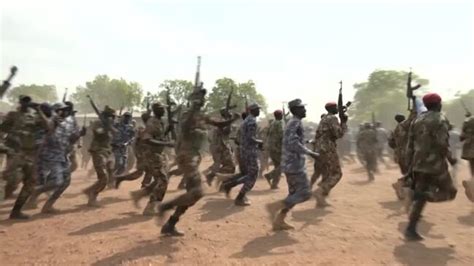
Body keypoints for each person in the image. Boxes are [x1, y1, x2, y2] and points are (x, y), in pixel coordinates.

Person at [157, 88, 238, 236]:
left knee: (191, 195)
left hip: (192, 156)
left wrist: (233, 119)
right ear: (194, 99)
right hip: (186, 156)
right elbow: (186, 128)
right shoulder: (188, 115)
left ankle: (170, 224)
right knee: (198, 192)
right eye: (200, 98)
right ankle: (165, 207)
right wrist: (193, 109)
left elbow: (218, 124)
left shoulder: (201, 115)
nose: (202, 100)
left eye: (203, 98)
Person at [404, 93, 457, 241]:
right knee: (450, 192)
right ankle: (421, 195)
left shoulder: (417, 120)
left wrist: (410, 165)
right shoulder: (440, 119)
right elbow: (442, 143)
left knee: (420, 198)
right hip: (435, 165)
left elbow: (410, 145)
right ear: (439, 104)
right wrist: (451, 159)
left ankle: (411, 229)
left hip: (418, 163)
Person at [266, 99, 319, 230]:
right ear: (295, 110)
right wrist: (310, 152)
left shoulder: (294, 122)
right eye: (302, 108)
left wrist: (307, 141)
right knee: (305, 193)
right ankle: (274, 206)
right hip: (294, 164)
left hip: (291, 164)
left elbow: (295, 140)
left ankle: (279, 221)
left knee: (294, 195)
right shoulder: (295, 122)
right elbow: (292, 143)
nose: (305, 110)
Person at [0, 95, 49, 219]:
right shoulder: (13, 115)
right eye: (24, 101)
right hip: (16, 153)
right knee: (11, 183)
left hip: (31, 154)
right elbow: (2, 129)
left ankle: (16, 211)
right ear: (20, 102)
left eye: (28, 101)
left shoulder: (34, 116)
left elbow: (48, 127)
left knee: (30, 183)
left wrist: (39, 110)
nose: (26, 103)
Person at [129, 102, 174, 216]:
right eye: (161, 109)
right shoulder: (151, 122)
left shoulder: (160, 121)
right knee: (163, 180)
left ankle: (139, 194)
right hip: (151, 154)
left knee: (162, 178)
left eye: (164, 109)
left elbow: (159, 135)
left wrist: (168, 130)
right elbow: (147, 139)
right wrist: (167, 143)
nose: (164, 110)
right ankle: (150, 207)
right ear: (156, 110)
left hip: (159, 154)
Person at [220, 103, 263, 206]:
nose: (259, 111)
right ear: (252, 111)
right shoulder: (252, 121)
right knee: (253, 175)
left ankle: (229, 184)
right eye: (257, 109)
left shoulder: (246, 121)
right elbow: (251, 138)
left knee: (246, 173)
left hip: (244, 151)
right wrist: (260, 142)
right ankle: (239, 196)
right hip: (250, 151)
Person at [311, 102, 347, 207]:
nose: (337, 109)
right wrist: (344, 122)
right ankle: (321, 190)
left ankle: (320, 200)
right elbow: (339, 134)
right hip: (327, 149)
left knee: (326, 174)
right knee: (337, 173)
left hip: (319, 149)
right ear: (332, 108)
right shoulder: (332, 118)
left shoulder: (324, 119)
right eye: (336, 107)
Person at [82, 106, 116, 207]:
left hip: (107, 152)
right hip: (98, 151)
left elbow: (114, 134)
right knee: (103, 178)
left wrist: (110, 127)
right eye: (111, 117)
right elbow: (98, 133)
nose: (113, 119)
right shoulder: (98, 124)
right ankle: (92, 196)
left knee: (109, 174)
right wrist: (106, 127)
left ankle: (90, 192)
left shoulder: (110, 125)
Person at [204, 108, 236, 186]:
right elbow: (226, 131)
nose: (230, 113)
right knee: (230, 166)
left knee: (226, 166)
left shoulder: (223, 121)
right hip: (220, 147)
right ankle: (215, 177)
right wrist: (231, 121)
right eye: (229, 112)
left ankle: (213, 176)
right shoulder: (222, 122)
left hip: (219, 146)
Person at [264, 110, 284, 189]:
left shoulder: (272, 123)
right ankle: (269, 176)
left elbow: (267, 134)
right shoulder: (279, 123)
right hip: (277, 148)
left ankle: (274, 184)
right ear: (280, 115)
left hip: (271, 147)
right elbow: (281, 135)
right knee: (283, 165)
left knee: (277, 166)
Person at [111, 112, 135, 177]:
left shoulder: (131, 127)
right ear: (123, 117)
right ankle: (110, 177)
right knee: (118, 163)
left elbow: (132, 137)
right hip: (116, 146)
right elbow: (111, 132)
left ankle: (115, 177)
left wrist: (126, 143)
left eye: (129, 117)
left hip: (124, 147)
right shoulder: (116, 125)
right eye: (126, 117)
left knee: (123, 166)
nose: (127, 118)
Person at [460, 111, 474, 202]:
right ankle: (471, 183)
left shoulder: (467, 121)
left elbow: (461, 137)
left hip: (469, 150)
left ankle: (471, 184)